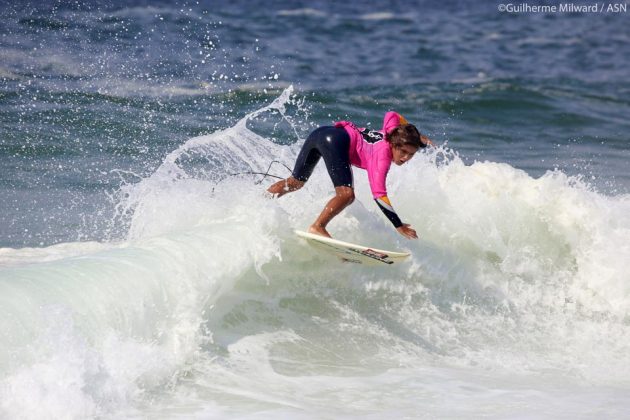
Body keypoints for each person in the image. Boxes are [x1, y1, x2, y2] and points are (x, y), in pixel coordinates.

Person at [267, 111, 433, 239]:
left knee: (295, 182)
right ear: (394, 144)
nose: (405, 158)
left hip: (321, 133)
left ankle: (262, 199)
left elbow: (392, 115)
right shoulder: (382, 158)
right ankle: (318, 227)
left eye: (411, 154)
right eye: (403, 151)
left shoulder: (392, 131)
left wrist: (417, 136)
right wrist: (399, 226)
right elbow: (379, 196)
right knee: (347, 195)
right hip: (336, 141)